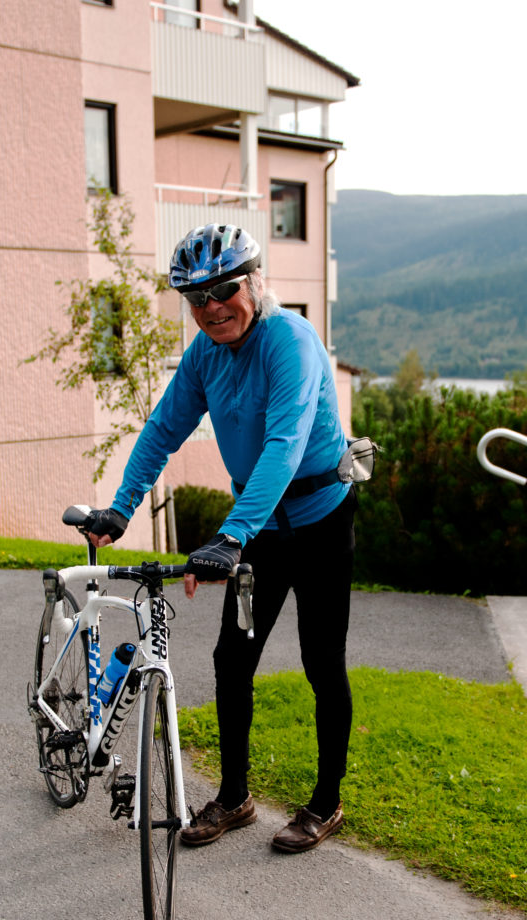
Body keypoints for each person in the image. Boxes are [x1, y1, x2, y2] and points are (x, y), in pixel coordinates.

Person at [86, 223, 356, 853]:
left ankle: (325, 802)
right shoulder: (206, 354)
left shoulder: (290, 341)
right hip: (257, 531)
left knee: (322, 662)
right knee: (232, 660)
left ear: (254, 283)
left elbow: (285, 446)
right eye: (195, 298)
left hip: (318, 523)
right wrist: (122, 509)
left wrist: (231, 535)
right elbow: (161, 431)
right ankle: (234, 797)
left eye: (223, 290)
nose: (210, 308)